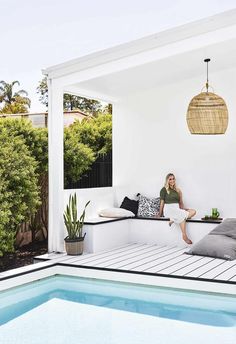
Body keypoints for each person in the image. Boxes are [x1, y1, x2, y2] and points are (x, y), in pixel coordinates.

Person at [158, 173, 196, 244]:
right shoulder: (164, 189)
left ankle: (173, 219)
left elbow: (180, 203)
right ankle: (184, 236)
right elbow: (162, 203)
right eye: (170, 179)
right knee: (182, 215)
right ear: (167, 180)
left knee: (193, 211)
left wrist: (183, 209)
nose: (172, 180)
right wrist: (160, 214)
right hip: (168, 209)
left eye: (173, 179)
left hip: (176, 209)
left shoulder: (178, 190)